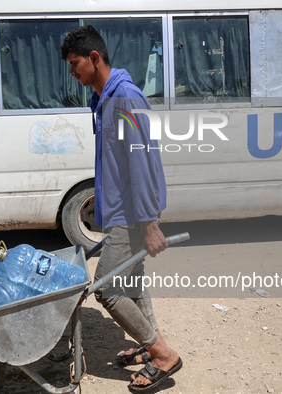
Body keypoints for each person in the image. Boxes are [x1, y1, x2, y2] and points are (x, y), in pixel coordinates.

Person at [61, 25, 182, 392]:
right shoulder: (104, 99)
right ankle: (152, 343)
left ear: (94, 58)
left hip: (132, 214)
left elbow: (143, 162)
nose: (72, 72)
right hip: (119, 210)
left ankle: (161, 354)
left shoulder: (126, 98)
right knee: (131, 281)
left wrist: (149, 223)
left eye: (75, 63)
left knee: (108, 289)